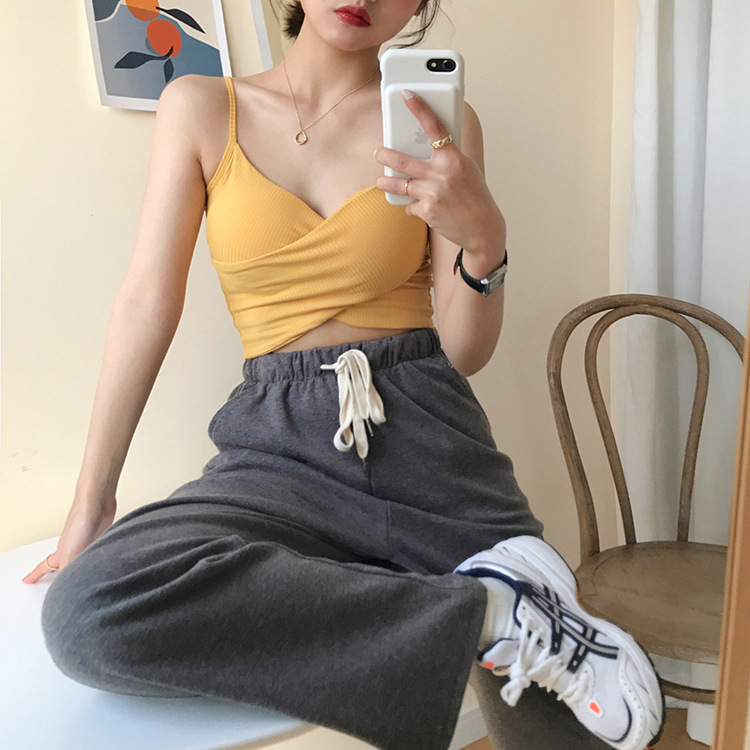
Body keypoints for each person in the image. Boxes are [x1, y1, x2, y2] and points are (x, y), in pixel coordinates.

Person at [24, 2, 664, 749]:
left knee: (567, 731)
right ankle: (494, 609)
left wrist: (485, 243)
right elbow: (144, 304)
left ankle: (510, 609)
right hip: (278, 450)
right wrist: (90, 505)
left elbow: (462, 351)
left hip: (429, 435)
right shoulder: (199, 107)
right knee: (89, 613)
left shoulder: (441, 123)